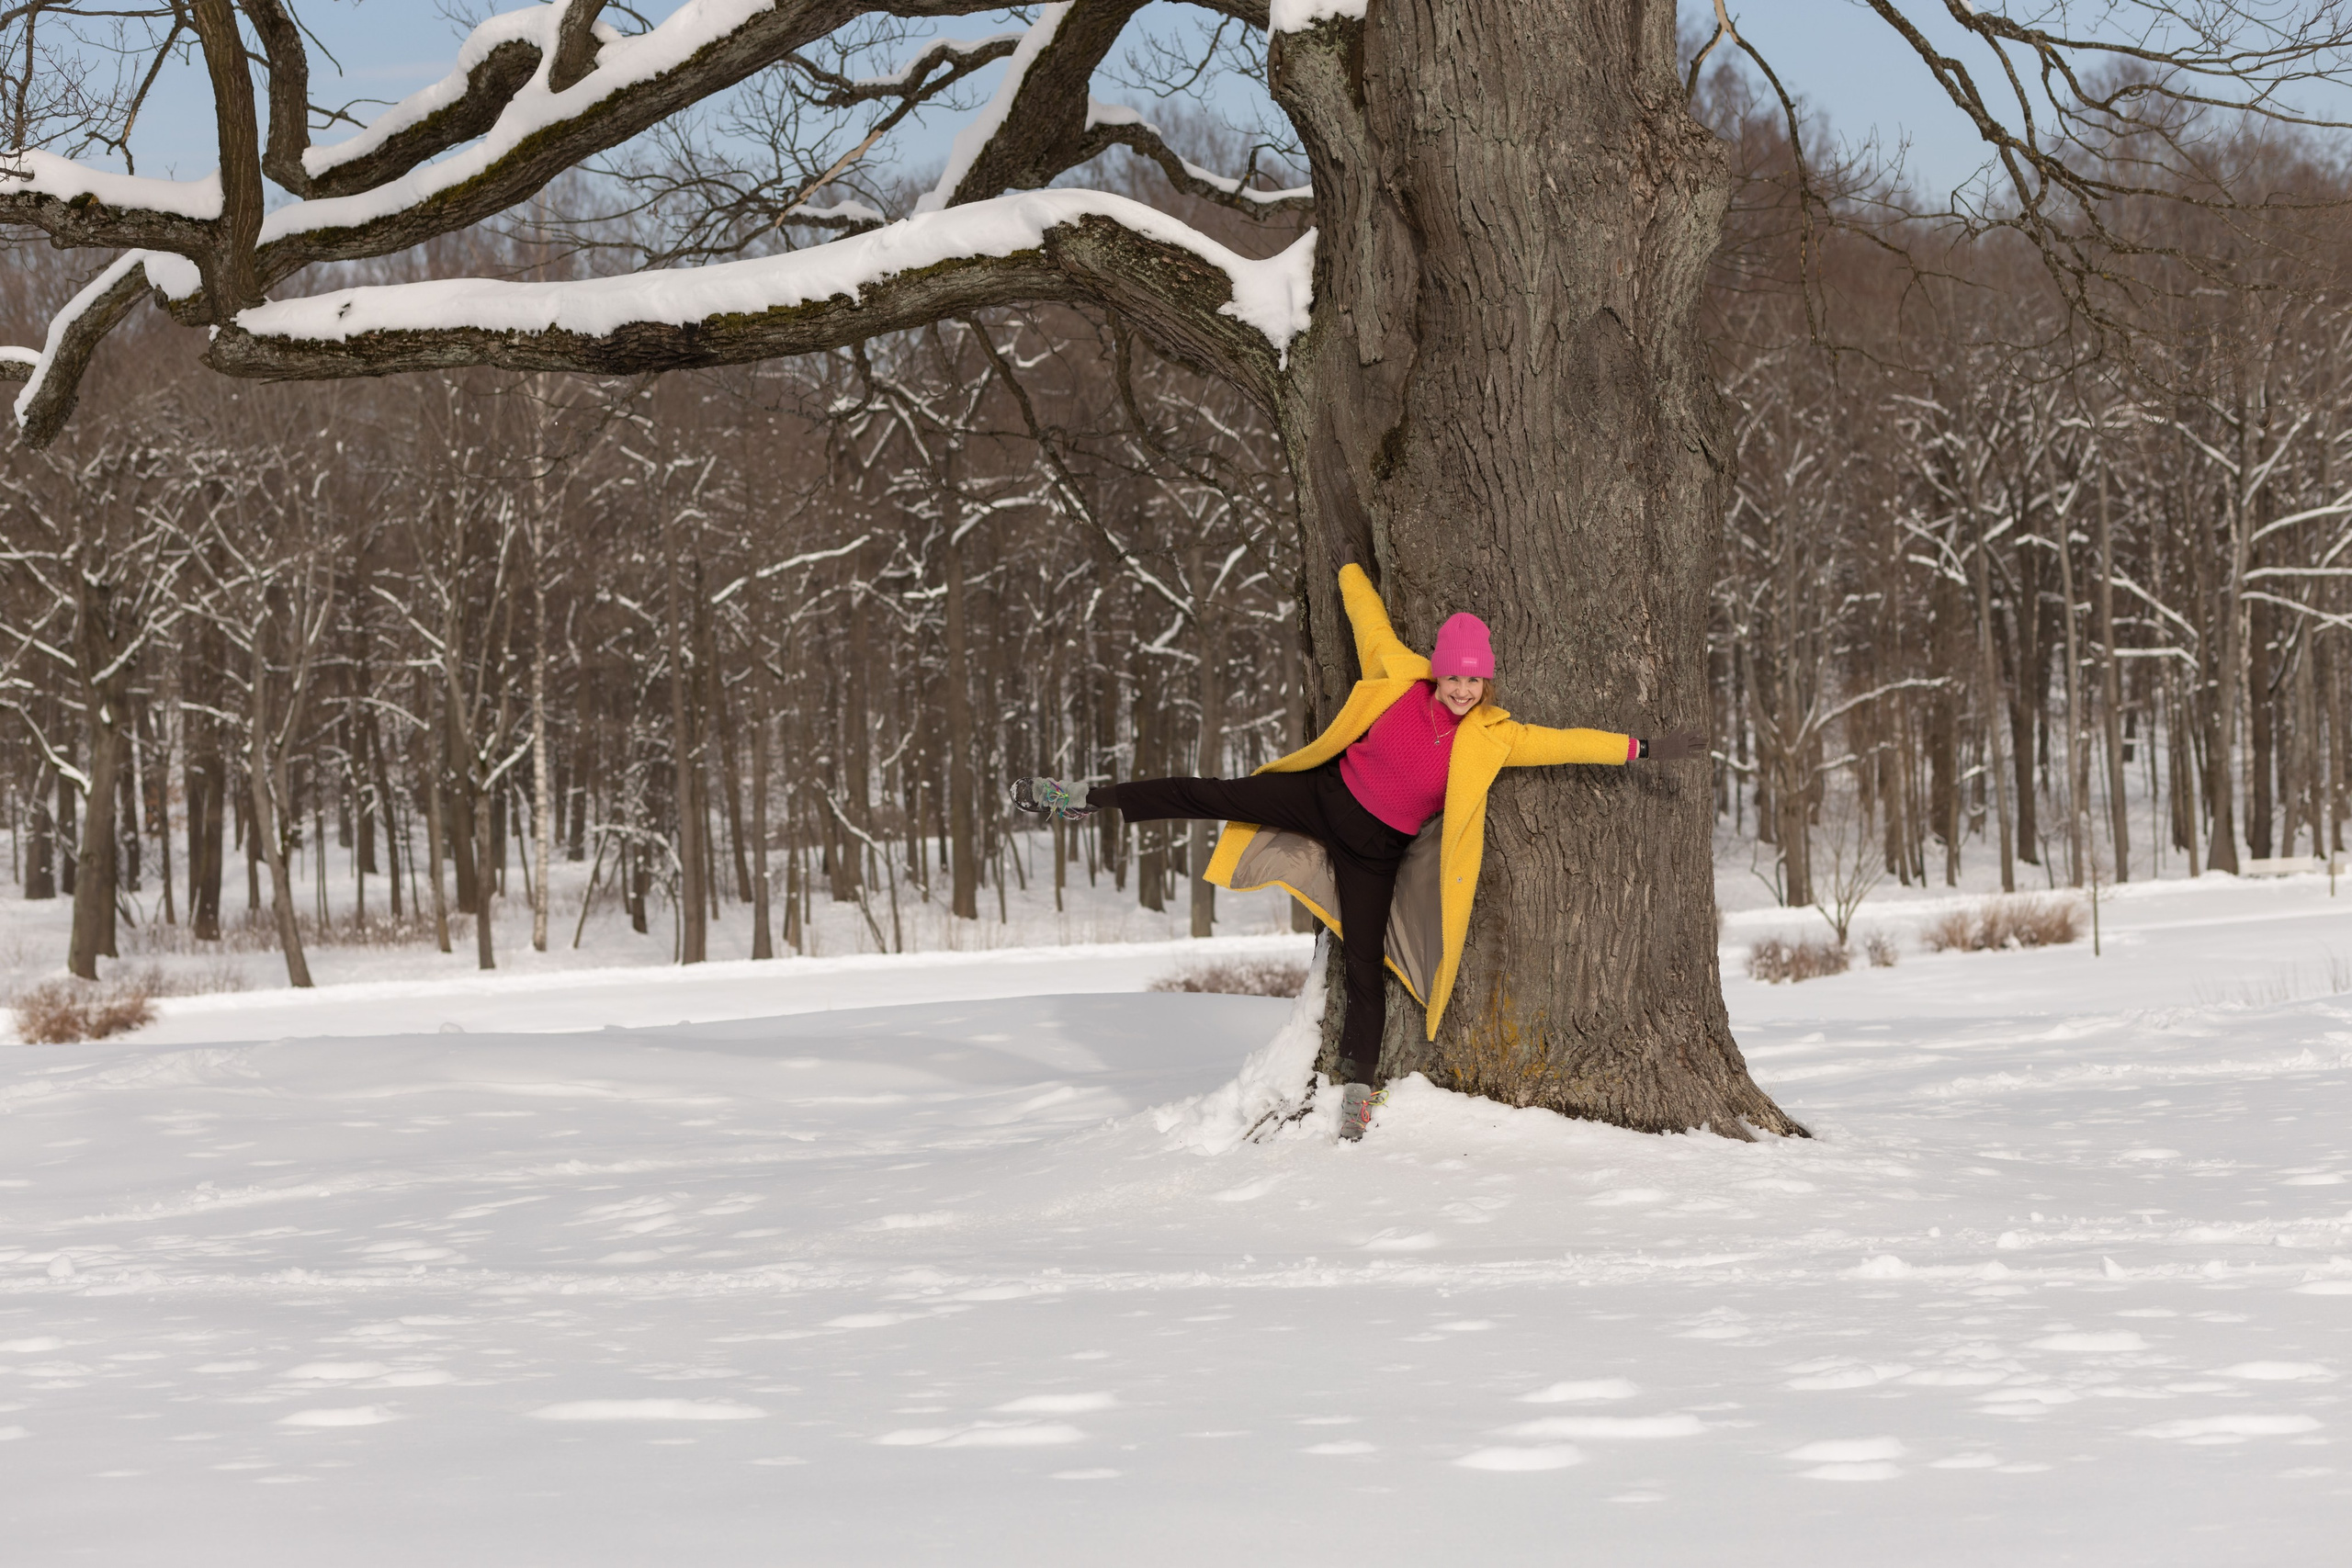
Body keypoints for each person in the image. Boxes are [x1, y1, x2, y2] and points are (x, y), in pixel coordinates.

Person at [1012, 561, 1702, 1140]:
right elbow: (1367, 618)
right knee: (1209, 793)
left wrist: (1642, 748)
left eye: (1474, 681)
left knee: (1365, 968)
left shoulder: (1497, 736)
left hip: (1375, 854)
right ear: (1437, 670)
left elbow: (1569, 741)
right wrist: (1346, 565)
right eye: (1453, 676)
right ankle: (1077, 796)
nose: (1461, 689)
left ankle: (1358, 1090)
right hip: (1322, 796)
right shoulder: (1401, 677)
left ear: (1487, 683)